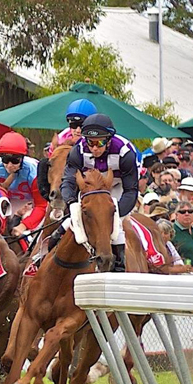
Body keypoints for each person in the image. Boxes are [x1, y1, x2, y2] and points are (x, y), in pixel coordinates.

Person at [58, 113, 139, 273]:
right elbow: (67, 181)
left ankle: (119, 265)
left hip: (117, 186)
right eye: (90, 142)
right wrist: (71, 202)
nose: (94, 148)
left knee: (117, 226)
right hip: (90, 189)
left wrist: (114, 214)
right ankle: (49, 247)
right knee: (72, 219)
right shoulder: (78, 151)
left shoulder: (125, 153)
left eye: (100, 142)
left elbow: (131, 191)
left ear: (109, 140)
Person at [0, 132, 48, 237]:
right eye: (5, 159)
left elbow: (41, 205)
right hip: (8, 202)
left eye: (15, 160)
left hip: (32, 203)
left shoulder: (33, 171)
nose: (9, 165)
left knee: (29, 228)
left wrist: (23, 226)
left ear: (22, 158)